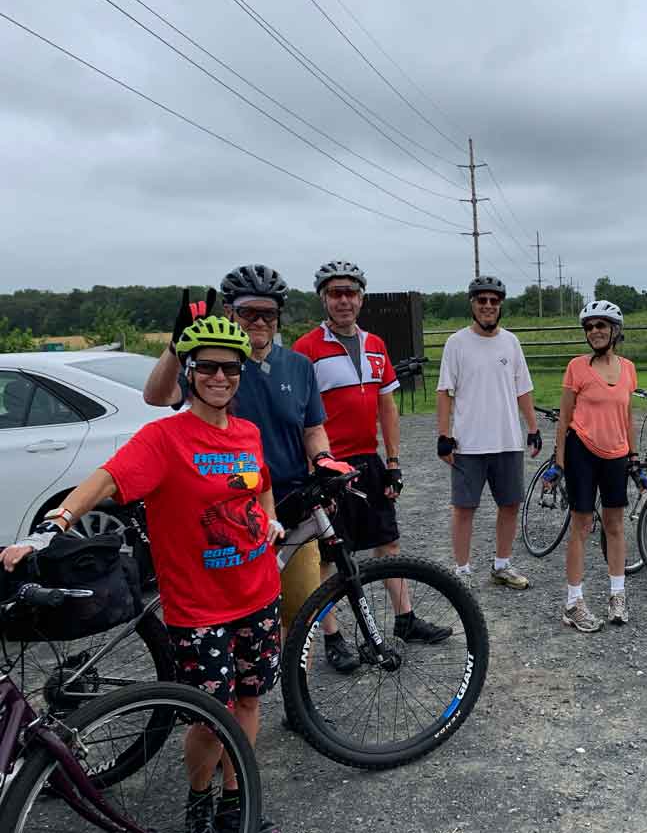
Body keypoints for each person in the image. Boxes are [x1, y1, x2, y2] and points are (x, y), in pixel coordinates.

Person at [3, 317, 284, 833]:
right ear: (190, 371)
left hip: (259, 592)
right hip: (199, 608)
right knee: (205, 718)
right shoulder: (164, 439)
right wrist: (57, 524)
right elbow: (106, 478)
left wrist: (269, 517)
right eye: (208, 367)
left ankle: (234, 797)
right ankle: (199, 802)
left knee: (248, 698)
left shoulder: (246, 432)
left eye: (230, 368)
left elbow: (258, 482)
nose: (220, 377)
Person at [142, 265, 351, 671]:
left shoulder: (298, 366)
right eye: (247, 313)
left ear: (278, 318)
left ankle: (298, 697)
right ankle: (227, 709)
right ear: (230, 315)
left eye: (268, 314)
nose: (259, 322)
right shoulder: (217, 365)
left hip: (290, 503)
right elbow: (157, 396)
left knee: (301, 611)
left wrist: (323, 459)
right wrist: (175, 345)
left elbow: (313, 428)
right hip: (230, 508)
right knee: (234, 619)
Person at [293, 260, 449, 662]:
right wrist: (313, 467)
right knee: (329, 556)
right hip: (327, 463)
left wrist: (393, 461)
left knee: (387, 541)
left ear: (361, 298)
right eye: (335, 293)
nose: (343, 300)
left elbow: (387, 407)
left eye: (350, 292)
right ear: (324, 299)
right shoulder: (306, 349)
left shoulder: (376, 344)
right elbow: (298, 416)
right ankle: (332, 637)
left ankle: (405, 618)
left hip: (367, 459)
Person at [436, 275, 541, 589]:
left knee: (509, 504)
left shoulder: (511, 342)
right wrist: (444, 435)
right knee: (464, 508)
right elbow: (445, 392)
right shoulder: (456, 343)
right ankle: (462, 571)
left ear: (500, 306)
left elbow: (522, 388)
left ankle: (502, 565)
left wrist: (533, 427)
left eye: (494, 301)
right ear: (472, 304)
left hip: (506, 440)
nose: (488, 306)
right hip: (468, 443)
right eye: (482, 300)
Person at [548, 300, 638, 631]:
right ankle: (573, 602)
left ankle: (617, 594)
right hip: (581, 449)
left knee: (615, 524)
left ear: (615, 330)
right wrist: (559, 461)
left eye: (601, 326)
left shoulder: (628, 368)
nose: (594, 332)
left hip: (616, 453)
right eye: (589, 327)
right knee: (582, 525)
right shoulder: (576, 367)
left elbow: (627, 415)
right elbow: (565, 416)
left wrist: (634, 455)